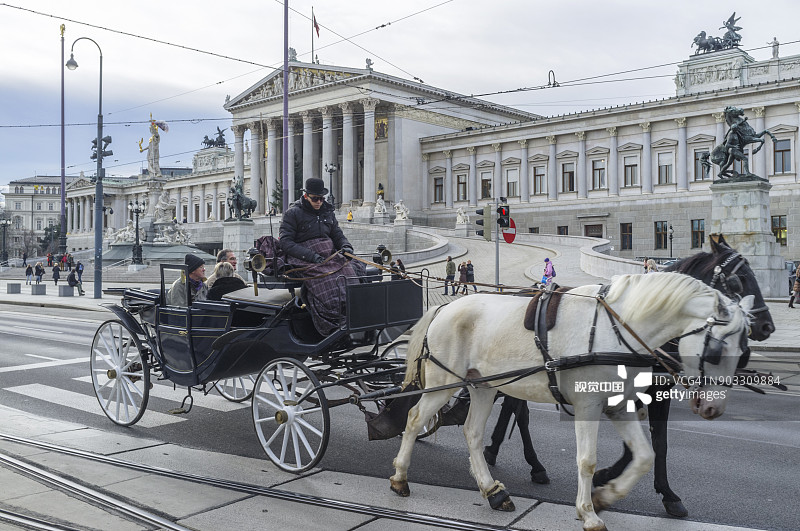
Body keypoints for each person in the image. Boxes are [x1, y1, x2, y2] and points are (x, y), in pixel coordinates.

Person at [279, 178, 354, 264]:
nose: (319, 202)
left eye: (321, 199)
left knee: (354, 268)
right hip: (304, 258)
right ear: (306, 196)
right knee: (327, 272)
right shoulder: (292, 213)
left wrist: (346, 246)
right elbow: (285, 242)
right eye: (315, 199)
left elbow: (337, 235)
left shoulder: (328, 212)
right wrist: (311, 256)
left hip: (329, 254)